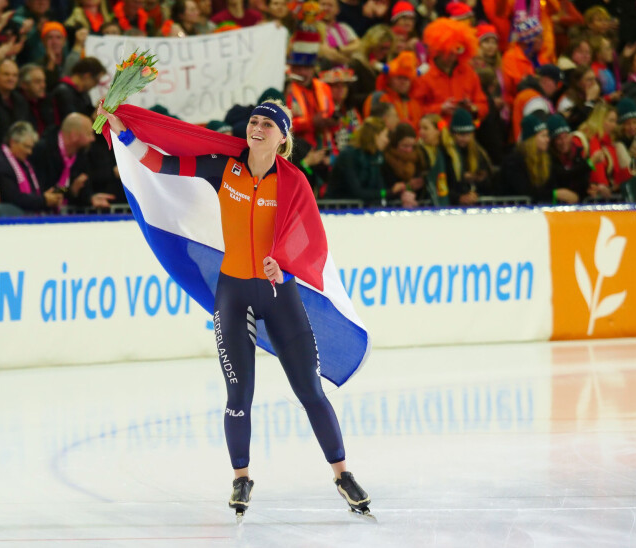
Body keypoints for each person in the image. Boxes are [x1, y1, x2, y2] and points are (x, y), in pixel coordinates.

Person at [103, 99, 372, 518]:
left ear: (283, 138)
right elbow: (160, 164)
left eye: (268, 124)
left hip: (279, 295)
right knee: (237, 396)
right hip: (233, 294)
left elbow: (311, 238)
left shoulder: (293, 181)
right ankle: (241, 478)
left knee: (310, 391)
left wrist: (282, 263)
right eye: (254, 122)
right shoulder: (222, 165)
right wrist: (123, 132)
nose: (257, 128)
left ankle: (342, 474)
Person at [30, 113, 116, 210]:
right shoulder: (42, 151)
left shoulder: (81, 153)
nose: (93, 139)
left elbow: (79, 188)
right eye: (89, 134)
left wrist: (90, 198)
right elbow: (44, 189)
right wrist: (70, 190)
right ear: (74, 136)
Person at [412, 18, 487, 122]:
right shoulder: (425, 75)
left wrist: (472, 108)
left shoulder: (469, 73)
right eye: (448, 51)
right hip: (437, 133)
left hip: (465, 132)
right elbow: (415, 110)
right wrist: (440, 109)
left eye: (457, 49)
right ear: (438, 50)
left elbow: (483, 105)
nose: (453, 55)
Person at [0, 121, 63, 213]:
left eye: (31, 148)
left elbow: (34, 193)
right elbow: (12, 198)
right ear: (13, 142)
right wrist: (43, 200)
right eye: (26, 147)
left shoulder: (26, 164)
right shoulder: (0, 164)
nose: (30, 152)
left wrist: (49, 197)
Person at [0, 59, 33, 158]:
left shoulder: (21, 100)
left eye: (14, 75)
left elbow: (25, 128)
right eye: (6, 74)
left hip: (19, 154)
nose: (11, 78)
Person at [330, 116, 390, 205]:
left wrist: (387, 193)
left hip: (362, 210)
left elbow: (380, 190)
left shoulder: (376, 157)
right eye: (385, 135)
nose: (387, 140)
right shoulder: (348, 155)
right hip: (340, 211)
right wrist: (389, 193)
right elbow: (357, 192)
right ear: (375, 135)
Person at [440, 108, 492, 206]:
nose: (464, 138)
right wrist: (458, 197)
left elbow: (489, 183)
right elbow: (442, 183)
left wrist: (478, 185)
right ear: (453, 133)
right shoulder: (445, 154)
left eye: (467, 134)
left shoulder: (478, 153)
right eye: (460, 134)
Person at [381, 122, 420, 207]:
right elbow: (381, 191)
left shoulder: (418, 159)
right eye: (405, 146)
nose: (408, 150)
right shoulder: (385, 160)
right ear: (395, 144)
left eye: (411, 146)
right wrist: (394, 191)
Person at [416, 113, 448, 205]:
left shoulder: (446, 152)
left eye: (425, 128)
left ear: (438, 130)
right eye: (420, 128)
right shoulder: (418, 152)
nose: (421, 132)